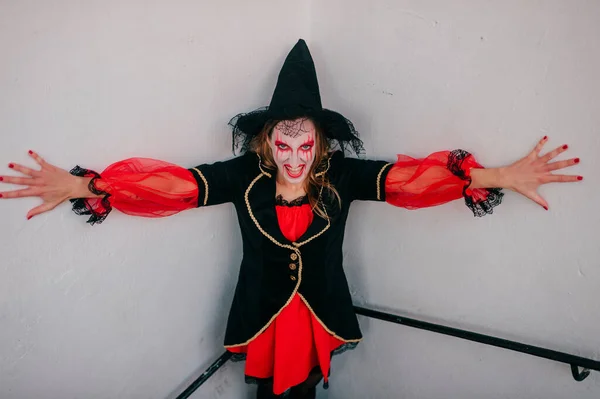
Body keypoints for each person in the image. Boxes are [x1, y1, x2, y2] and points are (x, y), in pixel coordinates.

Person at [0, 39, 582, 398]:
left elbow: (415, 180)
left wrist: (501, 175)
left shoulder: (345, 177)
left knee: (303, 391)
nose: (295, 158)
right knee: (268, 393)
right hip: (262, 313)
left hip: (320, 309)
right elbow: (173, 185)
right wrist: (86, 185)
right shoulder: (239, 176)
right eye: (285, 144)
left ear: (322, 143)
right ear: (268, 141)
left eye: (307, 147)